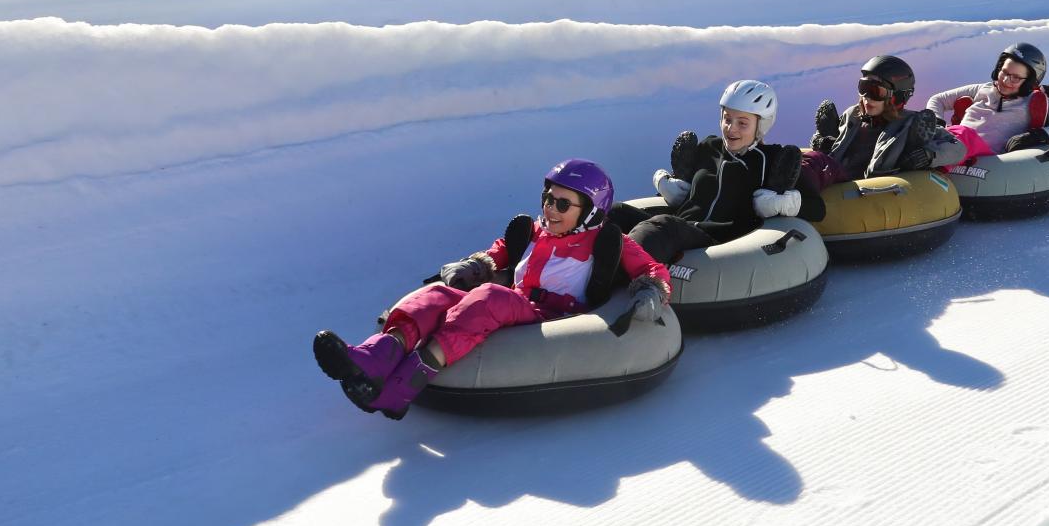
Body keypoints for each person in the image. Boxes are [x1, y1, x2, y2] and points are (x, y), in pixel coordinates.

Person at [313, 159, 671, 420]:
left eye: (563, 204)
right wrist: (475, 265)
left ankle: (401, 388)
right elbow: (499, 253)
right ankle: (374, 358)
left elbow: (651, 269)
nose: (551, 208)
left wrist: (651, 291)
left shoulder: (607, 241)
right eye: (548, 198)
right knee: (435, 296)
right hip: (514, 302)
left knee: (490, 298)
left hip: (551, 317)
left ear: (590, 212)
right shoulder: (533, 230)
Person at [614, 80, 805, 264]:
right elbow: (693, 189)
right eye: (727, 119)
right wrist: (671, 187)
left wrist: (781, 204)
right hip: (682, 227)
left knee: (662, 226)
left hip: (718, 243)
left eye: (743, 123)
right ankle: (591, 268)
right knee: (616, 212)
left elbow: (816, 207)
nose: (731, 128)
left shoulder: (773, 159)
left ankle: (615, 281)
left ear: (761, 125)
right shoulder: (708, 146)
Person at [801, 54, 965, 191]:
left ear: (897, 96)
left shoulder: (911, 122)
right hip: (837, 180)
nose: (867, 97)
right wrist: (825, 142)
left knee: (816, 164)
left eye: (875, 91)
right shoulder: (853, 115)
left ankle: (793, 186)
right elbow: (840, 149)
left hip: (868, 188)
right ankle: (786, 185)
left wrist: (928, 155)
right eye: (863, 87)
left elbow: (958, 148)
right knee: (803, 157)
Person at [923, 40, 1049, 162]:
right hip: (953, 143)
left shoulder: (1034, 101)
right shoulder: (982, 89)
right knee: (920, 123)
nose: (1006, 80)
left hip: (986, 158)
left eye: (1016, 77)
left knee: (964, 135)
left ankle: (928, 156)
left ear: (1029, 82)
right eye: (1004, 72)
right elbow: (938, 99)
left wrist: (1038, 136)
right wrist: (937, 122)